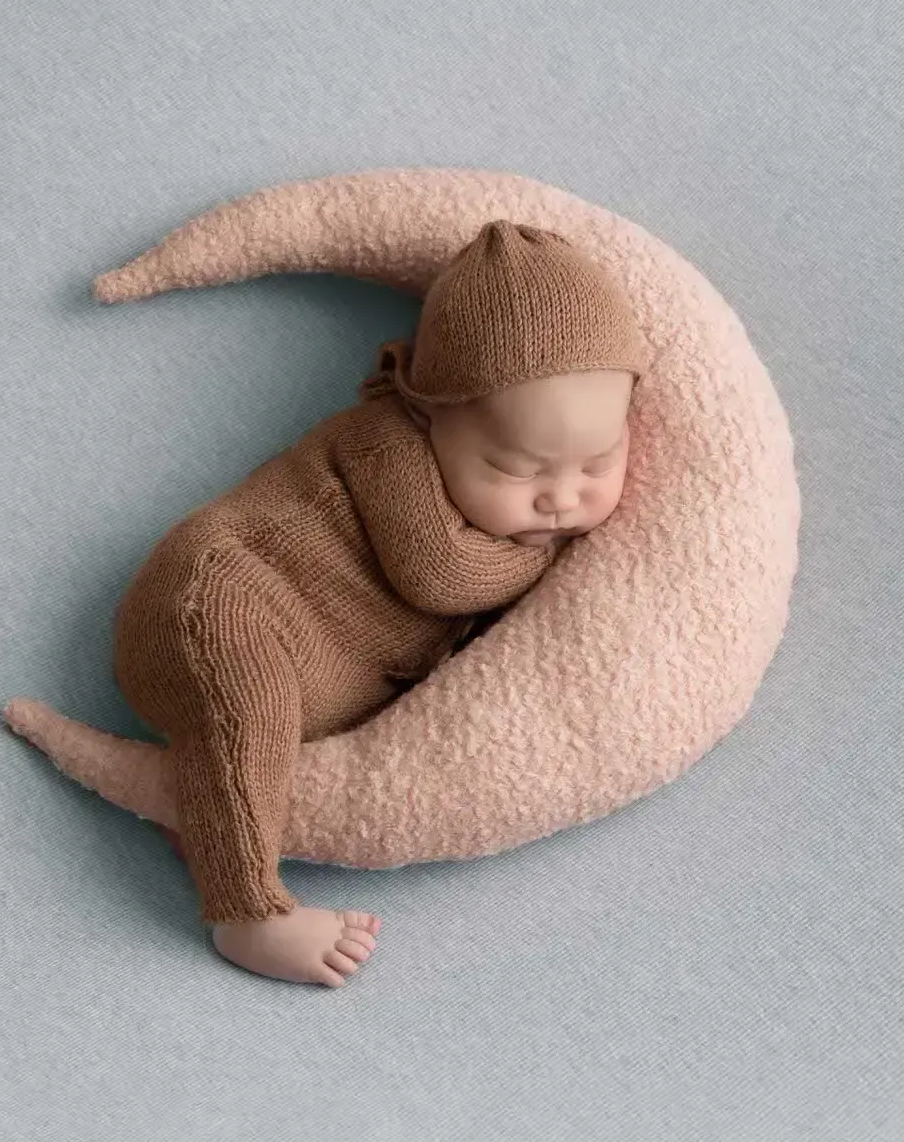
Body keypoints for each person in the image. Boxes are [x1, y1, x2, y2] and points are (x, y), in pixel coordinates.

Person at [111, 220, 645, 987]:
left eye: (598, 461)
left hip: (320, 660)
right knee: (246, 709)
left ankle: (209, 822)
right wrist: (541, 560)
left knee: (253, 747)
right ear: (427, 413)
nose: (562, 498)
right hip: (217, 603)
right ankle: (243, 913)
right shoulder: (383, 444)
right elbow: (442, 576)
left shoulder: (516, 500)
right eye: (514, 467)